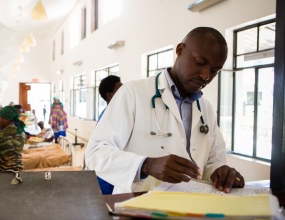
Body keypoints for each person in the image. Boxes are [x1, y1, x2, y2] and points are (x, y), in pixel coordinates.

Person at [85, 27, 245, 195]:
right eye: (200, 62)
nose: (205, 76)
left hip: (193, 207)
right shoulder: (133, 93)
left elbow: (214, 159)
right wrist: (146, 165)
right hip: (139, 206)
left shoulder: (205, 108)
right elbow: (95, 153)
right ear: (180, 50)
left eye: (214, 71)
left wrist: (220, 171)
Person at [96, 75, 123, 195]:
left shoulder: (117, 112)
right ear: (110, 95)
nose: (124, 93)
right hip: (109, 174)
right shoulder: (109, 117)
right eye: (120, 89)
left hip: (114, 171)